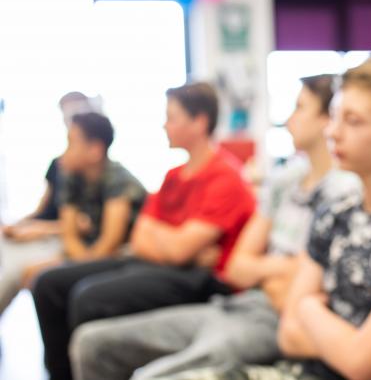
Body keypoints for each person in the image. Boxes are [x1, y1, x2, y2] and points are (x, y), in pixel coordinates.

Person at [149, 57, 371, 380]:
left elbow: (361, 363)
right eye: (335, 117)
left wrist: (310, 309)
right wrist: (349, 339)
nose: (333, 132)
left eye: (353, 121)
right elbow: (289, 335)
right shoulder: (337, 211)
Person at [68, 74, 359, 380]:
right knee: (90, 341)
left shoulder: (344, 193)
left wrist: (264, 270)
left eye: (300, 108)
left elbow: (300, 284)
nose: (288, 120)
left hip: (265, 315)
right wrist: (280, 271)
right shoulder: (285, 181)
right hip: (237, 303)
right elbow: (236, 265)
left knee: (141, 364)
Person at [32, 82, 256, 380]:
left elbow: (177, 250)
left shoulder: (225, 178)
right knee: (48, 283)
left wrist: (167, 241)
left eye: (172, 117)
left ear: (199, 122)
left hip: (199, 280)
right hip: (157, 263)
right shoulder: (173, 176)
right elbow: (142, 237)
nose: (164, 125)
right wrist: (175, 244)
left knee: (89, 298)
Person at [0, 112, 146, 316]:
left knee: (38, 276)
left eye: (71, 143)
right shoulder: (71, 176)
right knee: (21, 266)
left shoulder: (118, 179)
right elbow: (69, 234)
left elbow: (109, 244)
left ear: (95, 149)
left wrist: (73, 265)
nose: (65, 153)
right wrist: (76, 259)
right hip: (86, 250)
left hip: (122, 255)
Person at [1, 91, 99, 241]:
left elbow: (84, 223)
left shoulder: (95, 170)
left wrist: (40, 229)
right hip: (47, 230)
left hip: (56, 237)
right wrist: (19, 225)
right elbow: (42, 208)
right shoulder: (57, 163)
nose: (70, 119)